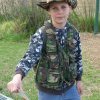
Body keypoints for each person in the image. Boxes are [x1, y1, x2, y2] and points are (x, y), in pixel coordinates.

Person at [7, 0, 83, 100]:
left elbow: (77, 57)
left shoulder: (74, 32)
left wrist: (79, 80)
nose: (60, 12)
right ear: (49, 11)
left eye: (63, 7)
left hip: (71, 89)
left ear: (70, 8)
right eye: (54, 8)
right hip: (48, 93)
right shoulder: (41, 34)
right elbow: (30, 56)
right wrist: (18, 76)